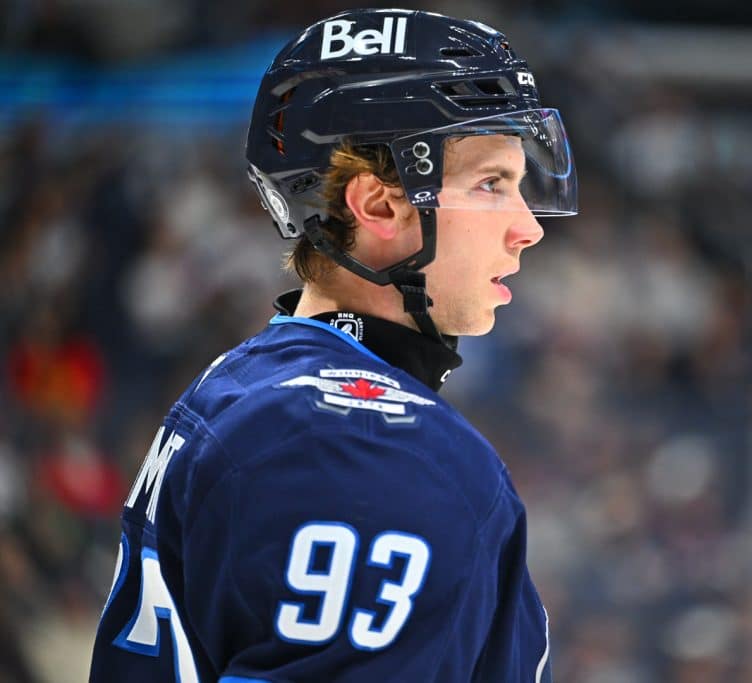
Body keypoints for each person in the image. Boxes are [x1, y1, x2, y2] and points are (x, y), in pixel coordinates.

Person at [89, 8, 577, 682]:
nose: (528, 227)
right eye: (491, 184)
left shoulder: (249, 387)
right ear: (378, 206)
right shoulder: (369, 443)